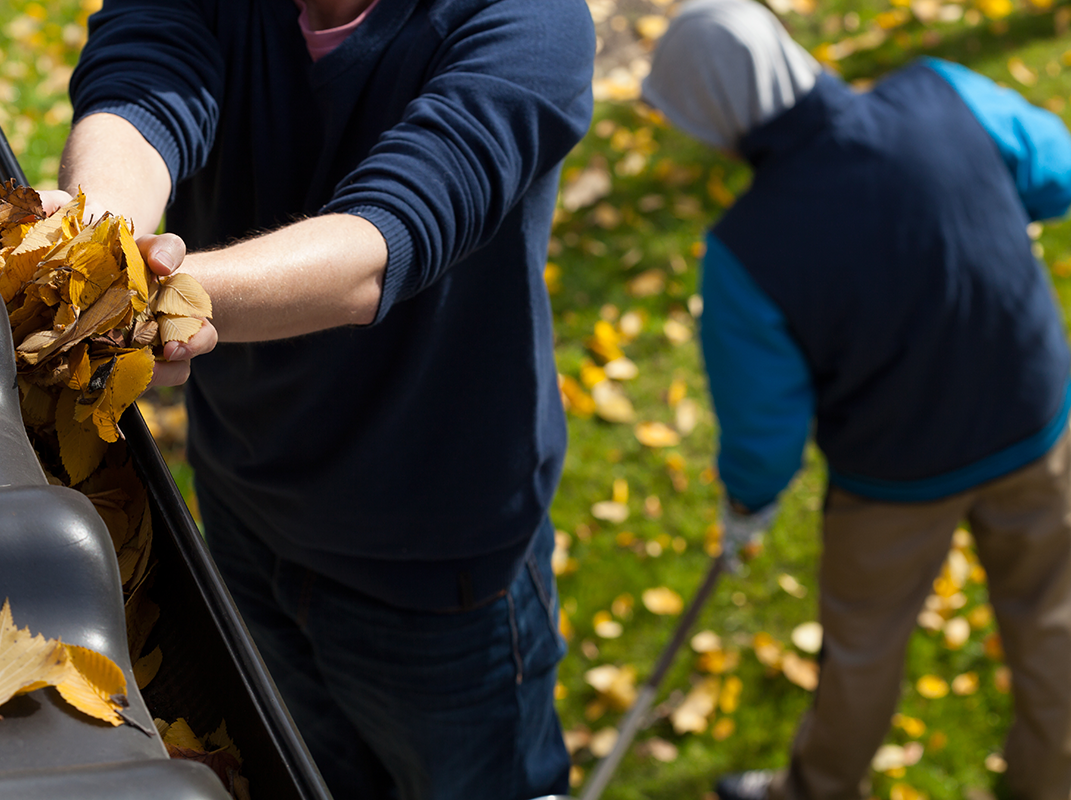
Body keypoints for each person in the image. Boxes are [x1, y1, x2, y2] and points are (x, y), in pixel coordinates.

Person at [54, 1, 596, 798]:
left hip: (431, 567)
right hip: (244, 503)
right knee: (312, 775)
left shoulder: (529, 21)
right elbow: (144, 85)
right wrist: (92, 252)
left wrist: (146, 304)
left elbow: (378, 244)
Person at [640, 2, 1071, 799]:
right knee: (1053, 621)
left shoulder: (745, 250)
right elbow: (1058, 170)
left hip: (896, 478)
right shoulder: (945, 93)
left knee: (863, 648)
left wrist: (750, 503)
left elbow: (766, 430)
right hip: (1033, 422)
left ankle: (822, 790)